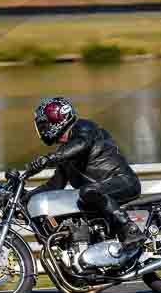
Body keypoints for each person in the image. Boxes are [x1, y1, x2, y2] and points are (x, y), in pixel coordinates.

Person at [22, 97, 145, 259]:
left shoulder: (84, 127)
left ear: (58, 120)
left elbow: (81, 144)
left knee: (88, 191)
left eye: (44, 126)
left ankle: (129, 229)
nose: (42, 130)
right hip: (97, 194)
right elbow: (54, 185)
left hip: (122, 182)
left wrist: (49, 158)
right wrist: (26, 197)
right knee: (79, 201)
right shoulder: (65, 153)